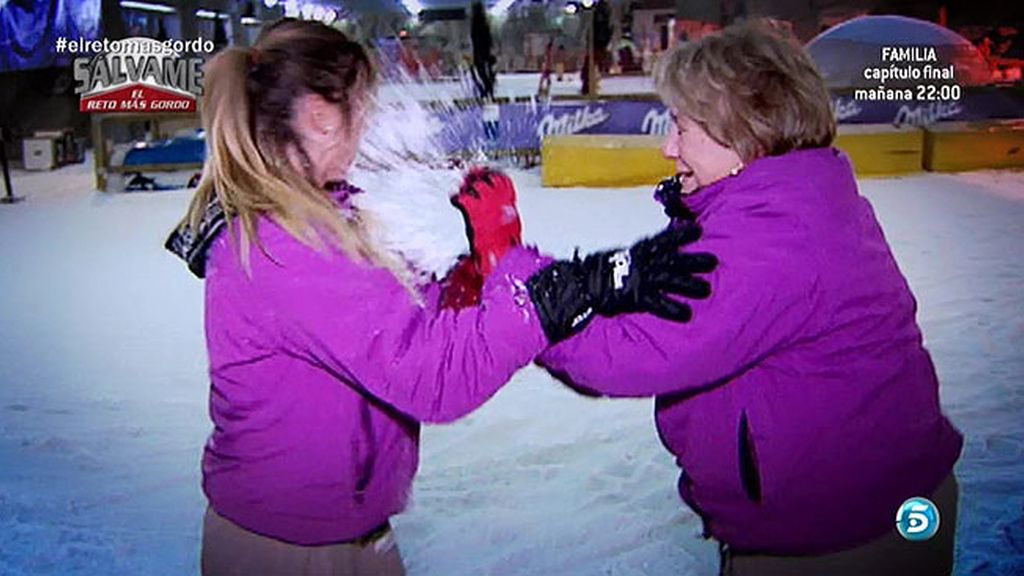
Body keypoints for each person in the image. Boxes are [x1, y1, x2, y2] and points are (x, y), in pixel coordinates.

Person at [164, 19, 716, 576]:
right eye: (362, 105)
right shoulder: (287, 245)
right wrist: (560, 294)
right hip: (286, 549)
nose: (369, 122)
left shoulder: (324, 214)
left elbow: (408, 322)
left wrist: (479, 271)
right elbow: (432, 377)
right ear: (320, 116)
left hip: (341, 529)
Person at [464, 20, 964, 575]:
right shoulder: (776, 202)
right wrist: (523, 268)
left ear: (743, 132)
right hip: (855, 511)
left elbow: (634, 352)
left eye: (681, 126)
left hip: (843, 536)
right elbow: (638, 284)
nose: (667, 146)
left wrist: (512, 276)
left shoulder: (775, 237)